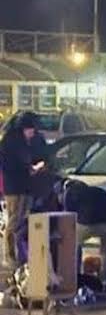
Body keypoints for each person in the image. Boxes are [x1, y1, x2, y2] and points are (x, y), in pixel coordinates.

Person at [58, 179, 106, 286]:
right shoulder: (97, 190)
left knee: (73, 244)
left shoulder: (69, 192)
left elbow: (68, 216)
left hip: (89, 222)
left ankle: (74, 277)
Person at [0, 112, 41, 268]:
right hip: (15, 188)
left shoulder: (22, 142)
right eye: (31, 130)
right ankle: (10, 255)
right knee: (14, 220)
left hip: (24, 186)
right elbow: (11, 165)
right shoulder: (11, 142)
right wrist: (29, 169)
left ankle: (20, 254)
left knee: (22, 221)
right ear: (25, 128)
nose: (33, 133)